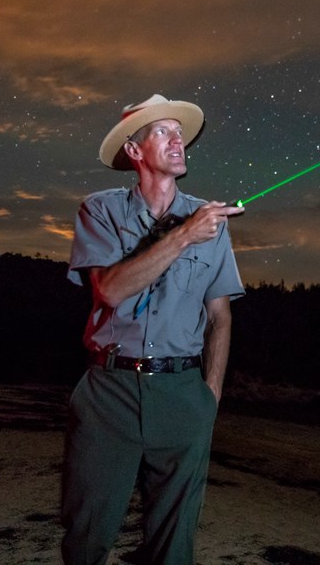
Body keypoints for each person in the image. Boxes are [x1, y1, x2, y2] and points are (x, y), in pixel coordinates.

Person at [61, 94, 245, 565]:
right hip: (109, 393)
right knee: (86, 535)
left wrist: (210, 396)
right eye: (163, 132)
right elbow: (109, 290)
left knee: (173, 545)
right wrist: (183, 235)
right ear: (136, 151)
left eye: (179, 132)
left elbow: (220, 316)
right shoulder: (99, 211)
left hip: (183, 394)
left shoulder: (212, 220)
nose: (178, 139)